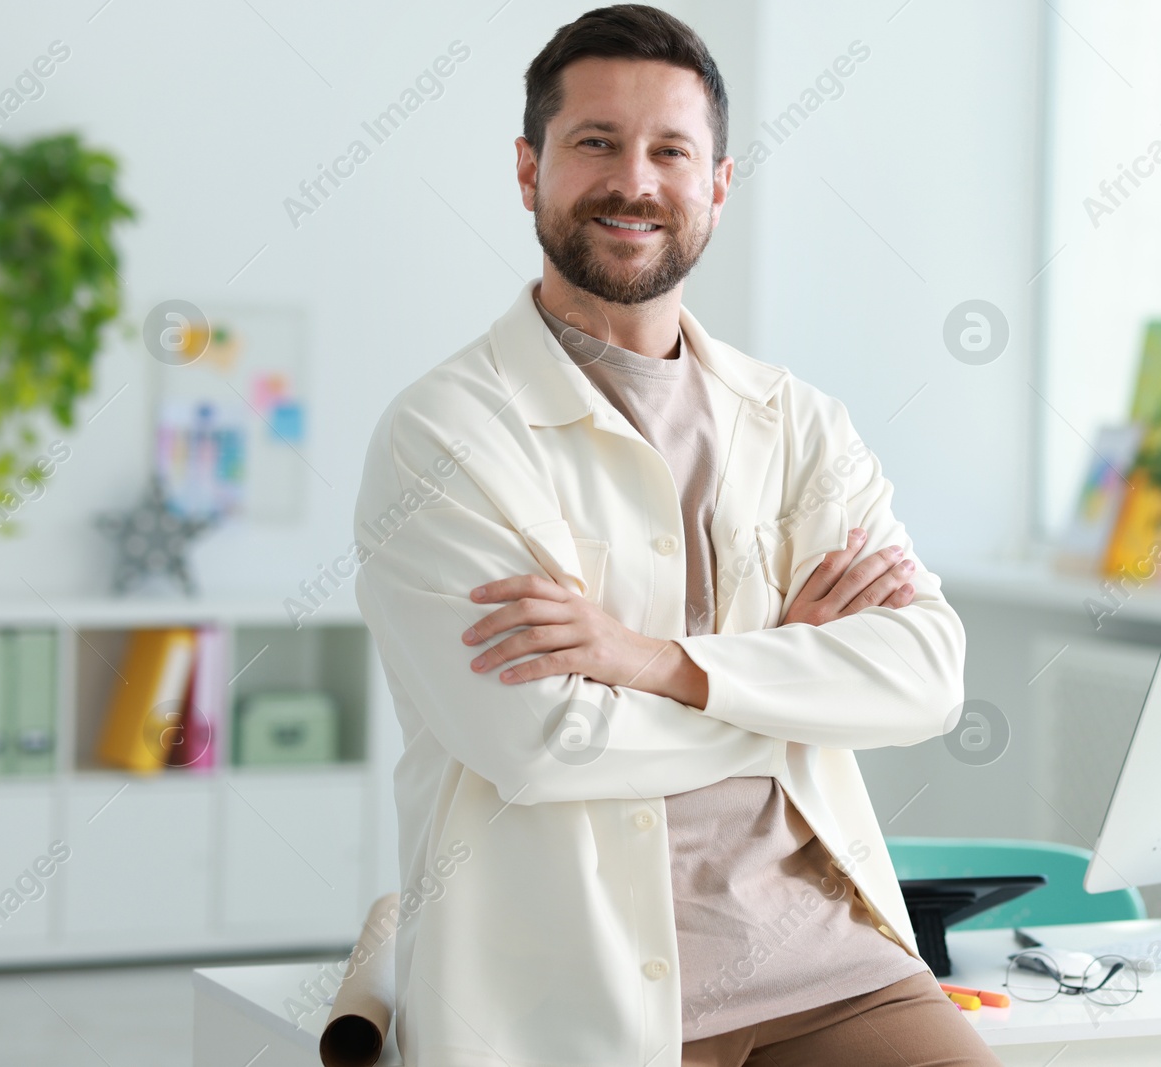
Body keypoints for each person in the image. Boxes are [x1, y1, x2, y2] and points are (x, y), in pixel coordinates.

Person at [353, 5, 995, 1064]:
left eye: (670, 151)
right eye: (595, 143)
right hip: (577, 989)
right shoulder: (446, 433)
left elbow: (926, 676)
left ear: (718, 184)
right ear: (529, 168)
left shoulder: (796, 421)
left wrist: (649, 661)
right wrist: (797, 688)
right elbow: (541, 742)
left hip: (833, 963)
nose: (635, 182)